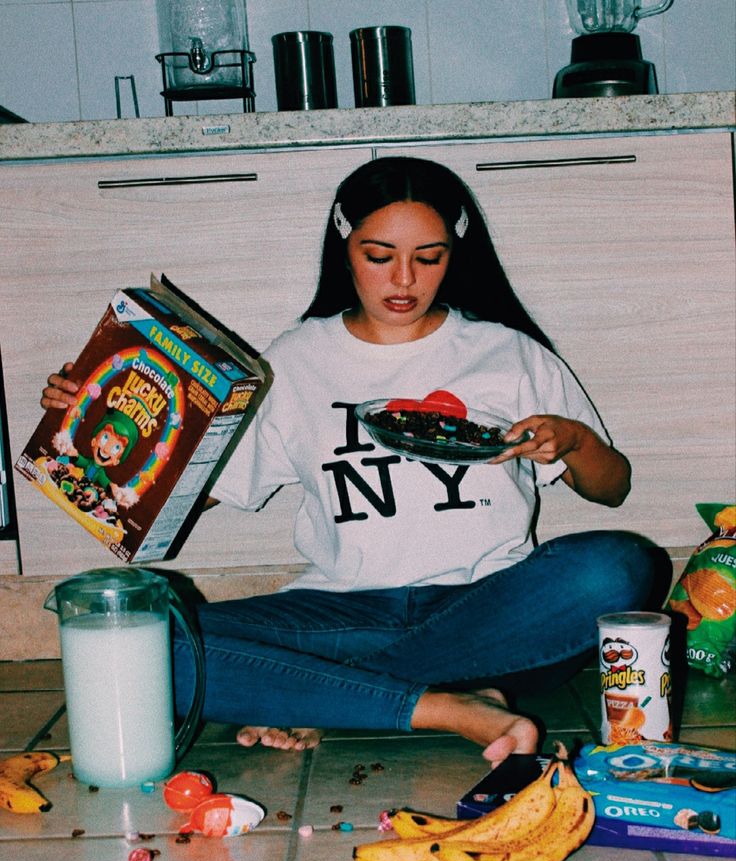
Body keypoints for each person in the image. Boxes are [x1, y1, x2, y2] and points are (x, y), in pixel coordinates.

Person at [41, 156, 672, 767]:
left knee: (619, 563)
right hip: (344, 611)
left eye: (429, 258)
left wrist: (575, 441)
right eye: (380, 257)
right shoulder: (293, 361)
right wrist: (98, 417)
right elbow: (172, 505)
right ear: (344, 248)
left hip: (491, 609)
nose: (404, 280)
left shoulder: (507, 352)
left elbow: (613, 490)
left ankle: (325, 694)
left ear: (456, 255)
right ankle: (451, 707)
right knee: (152, 647)